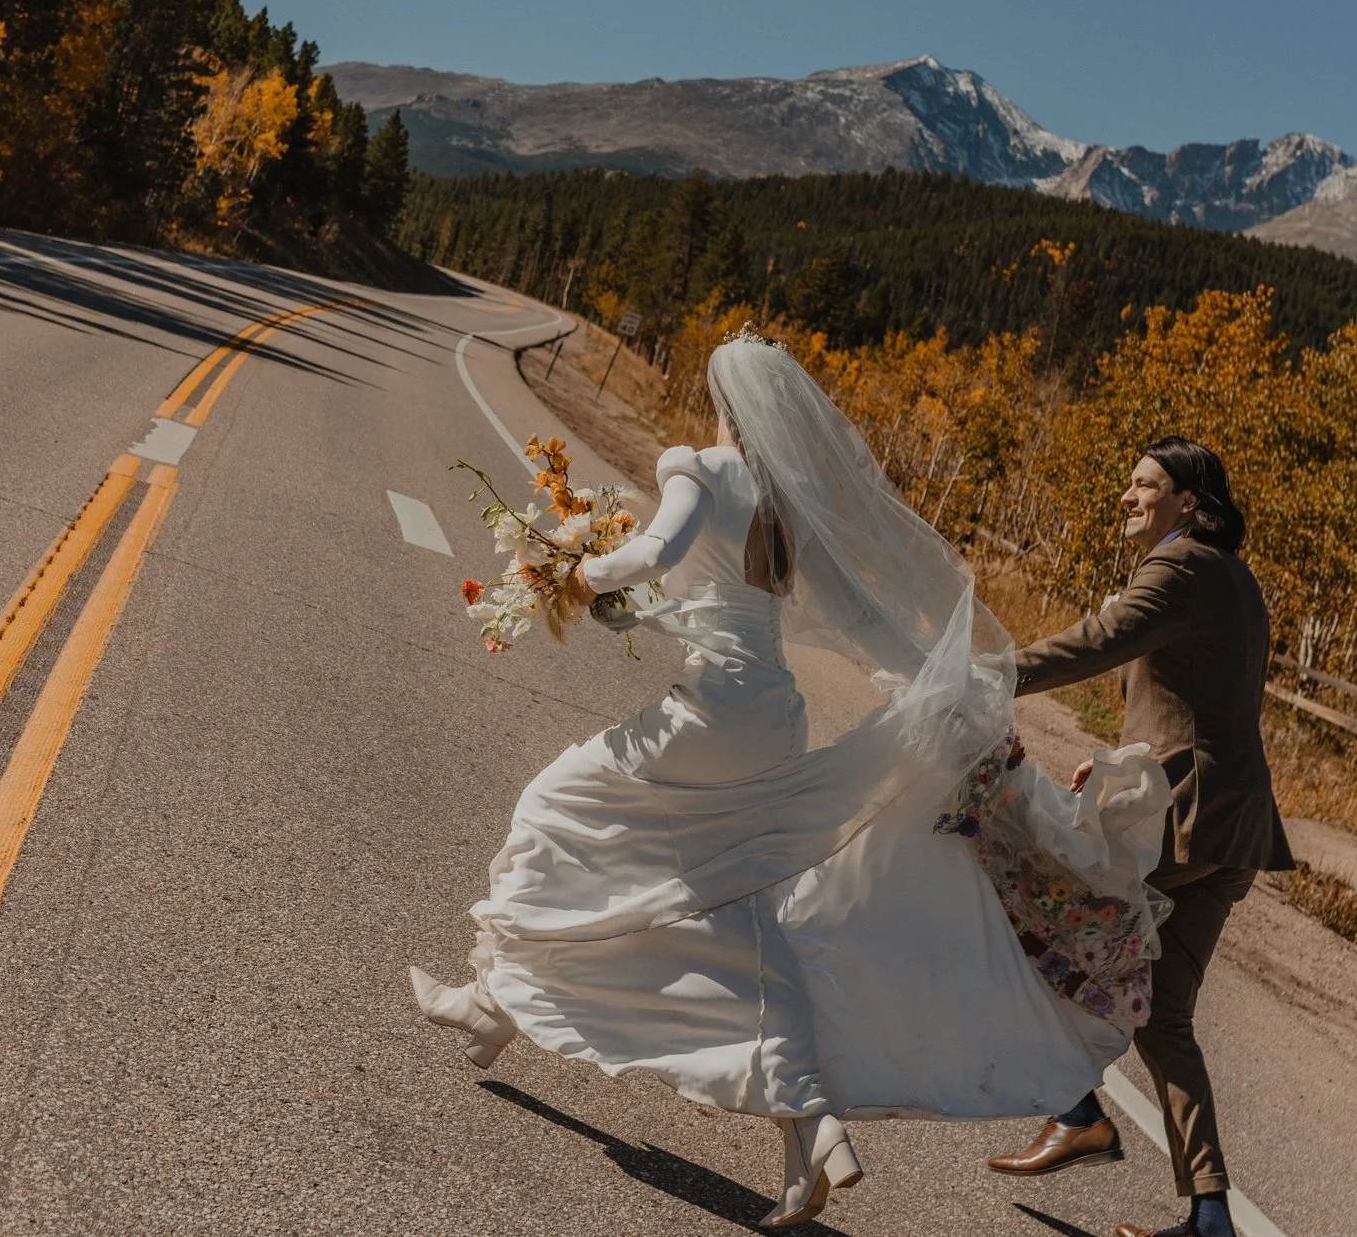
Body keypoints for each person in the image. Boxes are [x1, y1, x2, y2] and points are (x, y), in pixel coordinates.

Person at [409, 333, 1176, 1227]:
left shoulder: (696, 464)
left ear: (723, 402)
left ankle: (492, 1003)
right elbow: (805, 613)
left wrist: (577, 573)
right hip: (773, 716)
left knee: (553, 810)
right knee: (733, 908)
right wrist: (956, 683)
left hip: (711, 713)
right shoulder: (788, 508)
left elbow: (654, 555)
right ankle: (805, 1128)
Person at [992, 437, 1293, 1237]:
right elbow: (1197, 710)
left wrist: (989, 672)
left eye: (1144, 485)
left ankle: (1077, 1108)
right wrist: (1122, 764)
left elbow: (1099, 640)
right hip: (1233, 829)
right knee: (1162, 1017)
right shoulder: (1233, 578)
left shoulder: (1181, 565)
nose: (1126, 496)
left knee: (1043, 918)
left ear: (1188, 502)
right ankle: (1210, 1218)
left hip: (1188, 827)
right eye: (1127, 484)